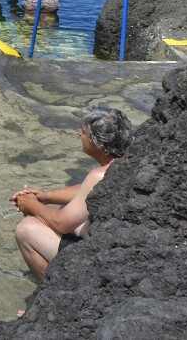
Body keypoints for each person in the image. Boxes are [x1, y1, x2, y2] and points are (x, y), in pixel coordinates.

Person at [11, 106, 134, 280]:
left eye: (84, 132)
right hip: (117, 251)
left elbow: (61, 223)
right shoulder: (127, 162)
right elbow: (89, 191)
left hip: (97, 261)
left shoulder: (99, 175)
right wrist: (47, 197)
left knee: (26, 228)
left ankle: (51, 292)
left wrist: (30, 205)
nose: (78, 133)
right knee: (67, 207)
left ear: (99, 143)